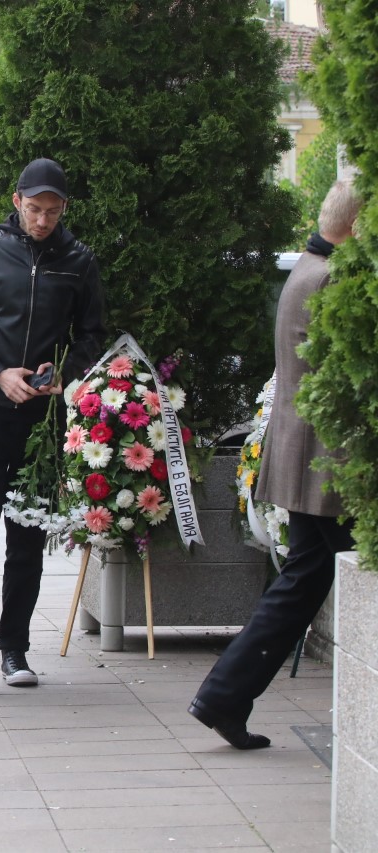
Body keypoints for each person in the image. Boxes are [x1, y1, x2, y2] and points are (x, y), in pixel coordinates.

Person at [189, 180, 361, 749]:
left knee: (301, 583)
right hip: (328, 463)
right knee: (302, 584)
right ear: (358, 227)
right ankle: (223, 697)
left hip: (307, 457)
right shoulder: (332, 277)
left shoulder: (309, 267)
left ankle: (224, 697)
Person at [0, 158, 106, 688]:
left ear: (64, 209)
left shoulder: (79, 260)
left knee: (28, 533)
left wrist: (68, 375)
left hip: (42, 418)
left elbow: (93, 334)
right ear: (17, 202)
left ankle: (15, 649)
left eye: (52, 212)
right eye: (34, 210)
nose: (42, 220)